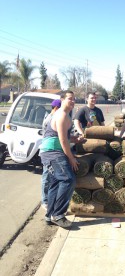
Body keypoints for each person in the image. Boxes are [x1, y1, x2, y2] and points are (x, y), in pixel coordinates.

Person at [39, 90, 79, 229]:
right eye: (70, 99)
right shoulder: (61, 115)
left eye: (74, 99)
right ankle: (58, 215)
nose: (73, 101)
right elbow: (62, 140)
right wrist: (72, 158)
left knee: (56, 183)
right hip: (53, 153)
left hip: (53, 151)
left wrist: (76, 139)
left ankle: (49, 215)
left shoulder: (65, 115)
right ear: (62, 100)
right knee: (68, 180)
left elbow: (64, 137)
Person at [41, 99, 61, 210]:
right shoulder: (50, 119)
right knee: (47, 176)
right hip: (49, 151)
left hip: (53, 149)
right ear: (56, 108)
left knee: (52, 176)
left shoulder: (52, 117)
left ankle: (50, 199)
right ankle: (45, 201)